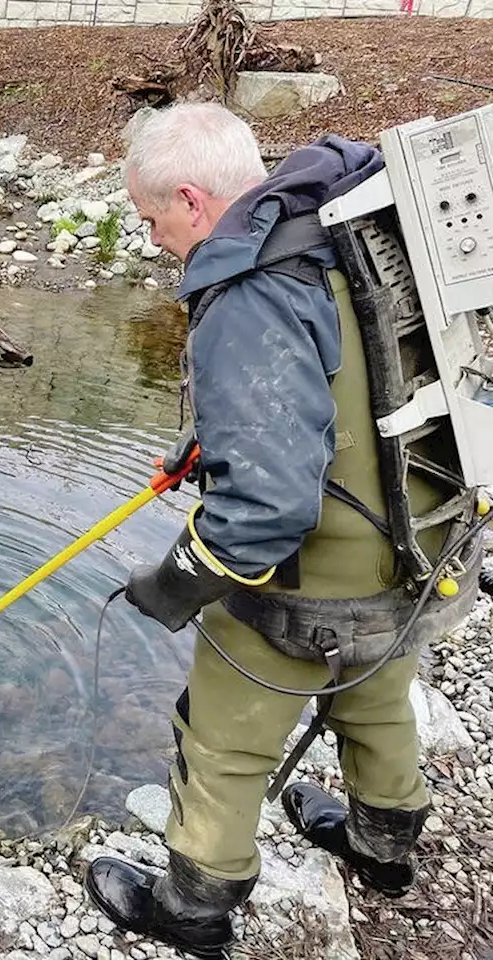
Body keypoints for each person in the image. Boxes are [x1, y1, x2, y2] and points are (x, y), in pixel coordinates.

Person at [85, 103, 482, 958]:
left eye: (151, 219)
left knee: (220, 737)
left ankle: (192, 909)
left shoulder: (247, 294)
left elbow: (264, 515)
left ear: (191, 201)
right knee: (375, 703)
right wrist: (216, 434)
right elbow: (338, 387)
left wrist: (177, 583)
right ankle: (384, 852)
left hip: (313, 585)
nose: (152, 239)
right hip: (419, 545)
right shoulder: (340, 229)